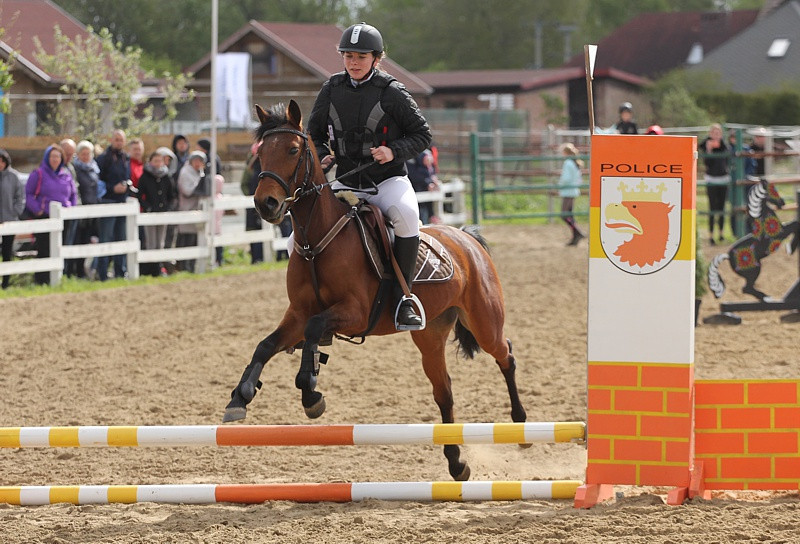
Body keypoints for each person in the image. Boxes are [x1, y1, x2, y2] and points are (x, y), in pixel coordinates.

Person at [307, 22, 432, 330]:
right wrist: (322, 152)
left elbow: (422, 135)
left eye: (361, 56)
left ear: (377, 59)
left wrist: (394, 151)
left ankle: (405, 298)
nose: (353, 62)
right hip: (346, 182)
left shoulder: (393, 93)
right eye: (348, 55)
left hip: (387, 182)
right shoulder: (331, 88)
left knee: (405, 215)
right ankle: (309, 299)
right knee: (297, 238)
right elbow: (313, 132)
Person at [24, 144, 77, 285]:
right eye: (52, 156)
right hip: (44, 217)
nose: (55, 159)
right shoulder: (38, 173)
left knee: (61, 247)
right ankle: (41, 280)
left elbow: (73, 194)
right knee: (43, 249)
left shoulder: (66, 174)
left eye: (58, 156)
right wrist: (37, 209)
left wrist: (71, 208)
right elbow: (28, 194)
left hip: (63, 217)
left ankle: (58, 278)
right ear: (47, 158)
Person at [96, 129, 131, 281]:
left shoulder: (125, 158)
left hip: (122, 202)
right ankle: (102, 273)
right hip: (108, 202)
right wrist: (112, 188)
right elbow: (98, 181)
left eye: (121, 140)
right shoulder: (103, 158)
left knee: (121, 238)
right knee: (105, 238)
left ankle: (120, 271)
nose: (119, 142)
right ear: (112, 140)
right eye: (116, 139)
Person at [137, 150, 176, 276]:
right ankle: (151, 269)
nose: (158, 163)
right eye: (155, 161)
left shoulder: (166, 177)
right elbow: (139, 195)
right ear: (151, 162)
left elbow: (171, 195)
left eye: (160, 161)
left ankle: (159, 268)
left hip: (162, 213)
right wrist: (147, 207)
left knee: (160, 242)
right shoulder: (145, 177)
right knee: (151, 242)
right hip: (150, 214)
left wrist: (168, 207)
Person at [71, 140, 101, 279]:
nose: (85, 156)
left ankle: (83, 270)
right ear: (78, 154)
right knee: (77, 240)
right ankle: (75, 271)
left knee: (87, 240)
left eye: (88, 154)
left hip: (93, 210)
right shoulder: (75, 169)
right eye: (83, 154)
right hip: (80, 210)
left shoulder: (94, 169)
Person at [176, 150, 208, 272]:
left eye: (200, 161)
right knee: (186, 241)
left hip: (196, 211)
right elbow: (187, 191)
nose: (198, 163)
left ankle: (191, 267)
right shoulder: (186, 173)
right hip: (187, 210)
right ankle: (184, 267)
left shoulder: (199, 173)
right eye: (195, 160)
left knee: (194, 240)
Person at [700, 123, 730, 245]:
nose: (716, 135)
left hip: (723, 179)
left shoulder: (724, 145)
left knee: (721, 207)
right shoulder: (705, 145)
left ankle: (721, 234)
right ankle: (711, 235)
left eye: (718, 133)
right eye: (714, 133)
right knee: (712, 207)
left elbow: (728, 157)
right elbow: (706, 162)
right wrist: (709, 150)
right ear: (710, 134)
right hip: (711, 179)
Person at [0, 148, 25, 289]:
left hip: (9, 220)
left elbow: (20, 197)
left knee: (7, 251)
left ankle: (6, 282)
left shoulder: (13, 177)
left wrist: (15, 213)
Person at [558, 143, 586, 246]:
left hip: (568, 191)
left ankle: (578, 232)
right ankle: (575, 236)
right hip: (573, 190)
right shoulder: (575, 163)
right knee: (569, 214)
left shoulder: (568, 163)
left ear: (565, 152)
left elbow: (566, 178)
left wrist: (560, 184)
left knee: (564, 214)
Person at [406, 149, 440, 225]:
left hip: (426, 191)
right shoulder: (412, 157)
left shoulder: (426, 152)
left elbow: (430, 170)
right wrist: (427, 182)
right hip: (416, 189)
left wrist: (432, 181)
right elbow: (413, 174)